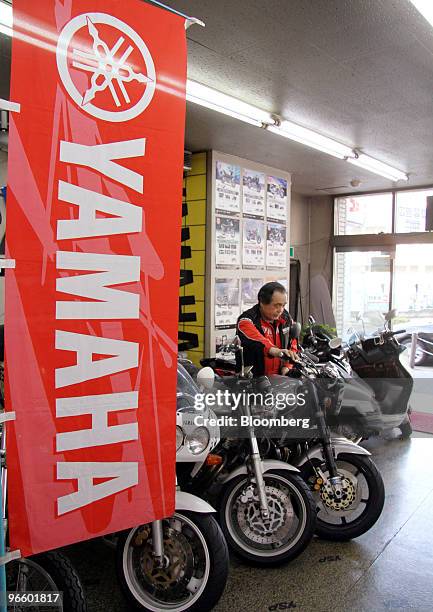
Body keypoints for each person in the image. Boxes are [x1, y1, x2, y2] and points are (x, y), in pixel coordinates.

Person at [236, 281, 299, 377]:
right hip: (254, 381)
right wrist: (277, 351)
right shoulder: (246, 320)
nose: (280, 310)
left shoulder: (286, 318)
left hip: (280, 380)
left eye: (283, 305)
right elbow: (258, 339)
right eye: (276, 305)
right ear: (262, 303)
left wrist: (287, 366)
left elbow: (292, 342)